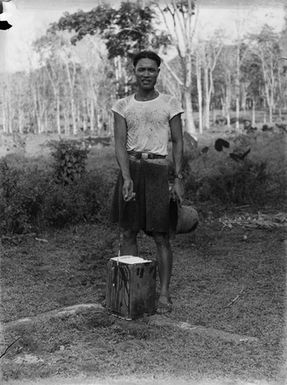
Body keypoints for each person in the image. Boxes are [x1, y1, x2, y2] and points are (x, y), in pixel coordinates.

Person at [111, 50, 184, 314]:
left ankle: (163, 294)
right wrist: (127, 177)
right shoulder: (122, 105)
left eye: (151, 70)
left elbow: (178, 142)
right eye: (141, 69)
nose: (146, 74)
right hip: (131, 168)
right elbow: (119, 143)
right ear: (134, 71)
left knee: (161, 235)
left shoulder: (169, 103)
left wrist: (177, 179)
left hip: (158, 169)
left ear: (158, 72)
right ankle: (127, 290)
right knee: (128, 231)